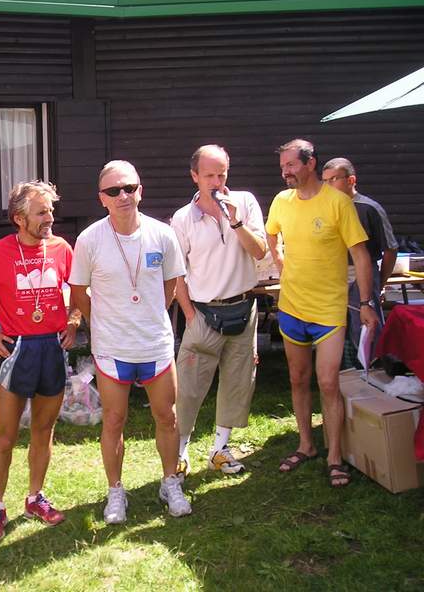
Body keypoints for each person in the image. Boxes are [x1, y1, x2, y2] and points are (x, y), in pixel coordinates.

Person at [0, 180, 80, 541]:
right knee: (6, 435)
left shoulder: (61, 248)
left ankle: (35, 498)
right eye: (41, 212)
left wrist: (74, 320)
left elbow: (80, 289)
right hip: (18, 349)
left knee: (44, 430)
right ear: (19, 219)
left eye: (50, 210)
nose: (49, 218)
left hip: (52, 349)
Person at [69, 160, 192, 521]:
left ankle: (170, 483)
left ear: (140, 191)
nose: (123, 195)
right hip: (112, 348)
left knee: (167, 417)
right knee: (113, 420)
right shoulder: (89, 239)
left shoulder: (162, 234)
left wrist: (150, 314)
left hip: (155, 344)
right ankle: (115, 492)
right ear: (102, 198)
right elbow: (78, 291)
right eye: (114, 191)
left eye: (129, 188)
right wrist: (100, 323)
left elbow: (171, 284)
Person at [266, 140, 379, 488]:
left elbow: (361, 255)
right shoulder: (281, 201)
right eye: (282, 166)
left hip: (329, 309)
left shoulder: (338, 202)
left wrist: (366, 302)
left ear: (310, 163)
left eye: (291, 165)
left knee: (328, 382)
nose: (285, 171)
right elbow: (271, 236)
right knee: (297, 378)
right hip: (291, 307)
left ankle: (335, 456)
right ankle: (306, 445)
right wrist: (281, 265)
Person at [171, 145, 267, 479]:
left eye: (222, 174)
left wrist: (236, 221)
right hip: (203, 312)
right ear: (194, 176)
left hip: (243, 306)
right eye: (209, 175)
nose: (216, 182)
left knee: (238, 383)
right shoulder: (183, 218)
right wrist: (189, 314)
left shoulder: (245, 202)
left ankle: (220, 449)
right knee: (188, 388)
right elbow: (177, 273)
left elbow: (259, 251)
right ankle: (179, 452)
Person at [321, 157, 398, 364]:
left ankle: (372, 370)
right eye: (324, 181)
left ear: (351, 180)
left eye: (333, 179)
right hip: (331, 276)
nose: (328, 186)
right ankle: (343, 372)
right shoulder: (323, 207)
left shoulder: (369, 208)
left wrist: (379, 283)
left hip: (362, 273)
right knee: (335, 329)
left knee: (365, 327)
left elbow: (390, 249)